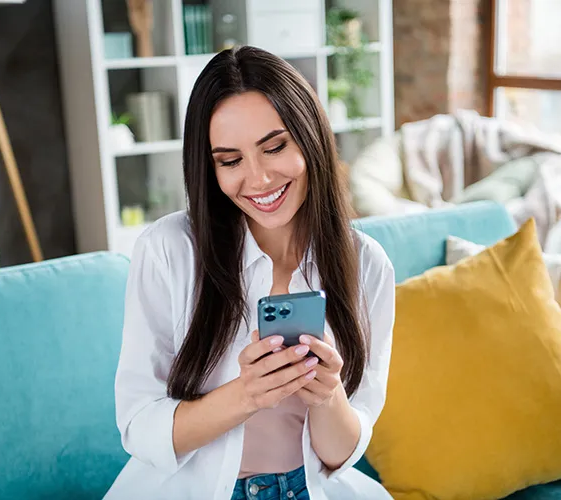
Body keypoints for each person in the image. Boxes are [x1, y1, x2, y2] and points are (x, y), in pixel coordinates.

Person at [103, 46, 395, 500]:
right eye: (230, 160)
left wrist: (328, 395)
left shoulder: (367, 264)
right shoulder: (169, 251)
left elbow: (341, 456)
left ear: (310, 137)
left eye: (274, 147)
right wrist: (246, 395)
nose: (257, 179)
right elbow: (139, 428)